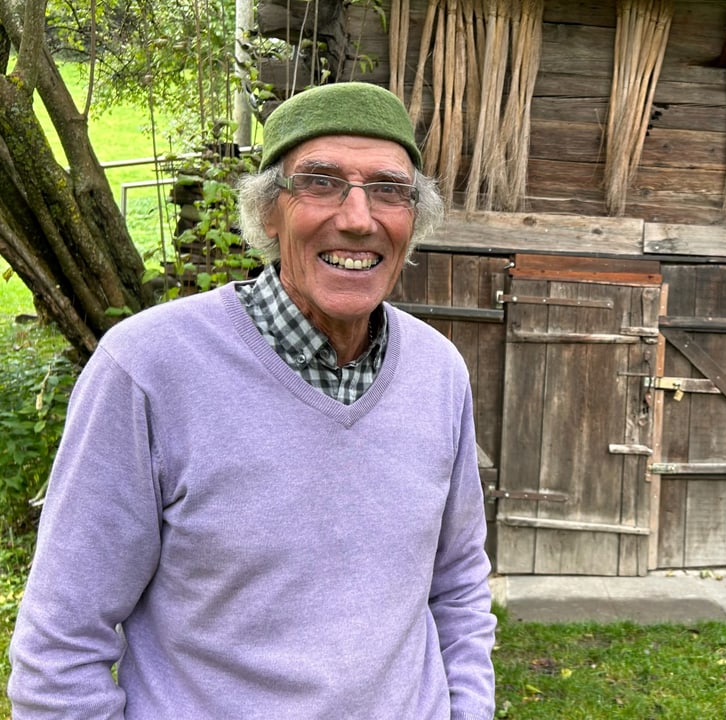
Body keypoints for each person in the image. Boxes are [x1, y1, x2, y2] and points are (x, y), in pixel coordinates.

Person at [7, 82, 497, 719]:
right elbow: (61, 644)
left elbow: (457, 586)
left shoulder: (438, 371)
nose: (357, 217)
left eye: (388, 189)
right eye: (320, 183)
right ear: (269, 214)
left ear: (413, 218)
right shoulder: (150, 369)